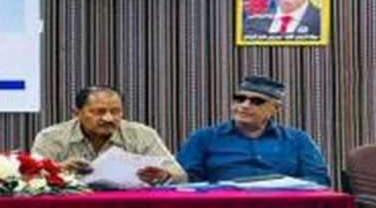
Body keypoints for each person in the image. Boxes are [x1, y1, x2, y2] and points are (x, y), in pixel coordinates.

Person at [176, 75, 330, 185]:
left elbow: (318, 179)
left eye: (256, 101)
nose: (245, 105)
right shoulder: (203, 138)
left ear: (275, 108)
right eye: (240, 99)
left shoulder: (298, 140)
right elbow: (186, 179)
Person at [31, 85, 185, 185]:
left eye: (115, 111)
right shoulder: (51, 137)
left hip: (128, 207)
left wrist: (163, 175)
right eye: (99, 112)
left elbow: (181, 176)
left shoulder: (142, 134)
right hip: (72, 207)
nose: (108, 118)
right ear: (77, 113)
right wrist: (59, 169)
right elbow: (29, 178)